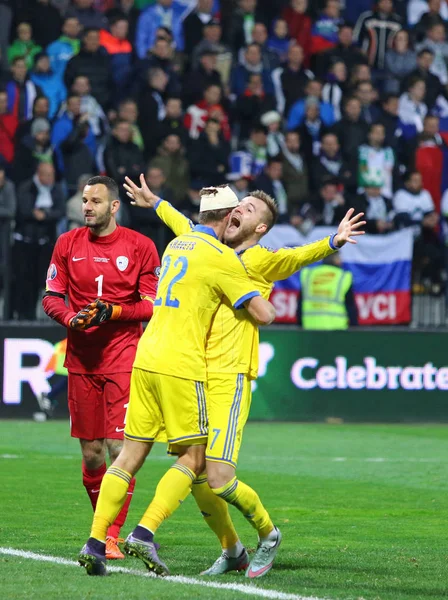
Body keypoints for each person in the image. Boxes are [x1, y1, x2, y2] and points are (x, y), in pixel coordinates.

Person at [119, 177, 365, 577]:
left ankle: (268, 535)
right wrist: (156, 203)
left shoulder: (259, 259)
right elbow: (185, 225)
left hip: (228, 376)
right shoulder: (210, 249)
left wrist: (332, 242)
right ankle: (232, 549)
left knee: (218, 476)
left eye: (248, 210)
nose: (237, 211)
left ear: (260, 229)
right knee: (196, 471)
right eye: (238, 205)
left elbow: (296, 256)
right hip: (193, 373)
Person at [78, 182, 276, 576]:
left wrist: (157, 203)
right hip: (181, 365)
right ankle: (144, 535)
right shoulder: (222, 257)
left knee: (129, 457)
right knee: (195, 457)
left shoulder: (177, 246)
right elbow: (264, 314)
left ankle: (96, 542)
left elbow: (179, 230)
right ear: (228, 216)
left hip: (145, 357)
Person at [42, 175, 160, 560]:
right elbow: (52, 296)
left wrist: (114, 311)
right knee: (92, 453)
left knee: (117, 447)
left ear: (114, 207)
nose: (87, 207)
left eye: (95, 201)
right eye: (84, 200)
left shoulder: (140, 247)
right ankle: (103, 527)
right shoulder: (67, 244)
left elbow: (151, 304)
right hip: (81, 360)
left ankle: (110, 536)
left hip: (124, 358)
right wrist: (71, 319)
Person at [12, 163, 64, 320]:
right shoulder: (26, 187)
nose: (50, 178)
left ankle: (36, 316)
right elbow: (23, 209)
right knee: (22, 280)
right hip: (25, 243)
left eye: (52, 175)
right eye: (47, 175)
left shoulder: (56, 189)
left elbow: (60, 211)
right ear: (39, 174)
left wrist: (44, 215)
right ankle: (20, 315)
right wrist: (40, 214)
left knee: (40, 281)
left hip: (45, 243)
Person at [299, 253, 358, 329]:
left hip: (310, 328)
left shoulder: (309, 274)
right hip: (337, 329)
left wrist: (300, 327)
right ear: (334, 258)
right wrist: (354, 329)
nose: (341, 261)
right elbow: (350, 306)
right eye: (339, 258)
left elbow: (300, 304)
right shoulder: (343, 276)